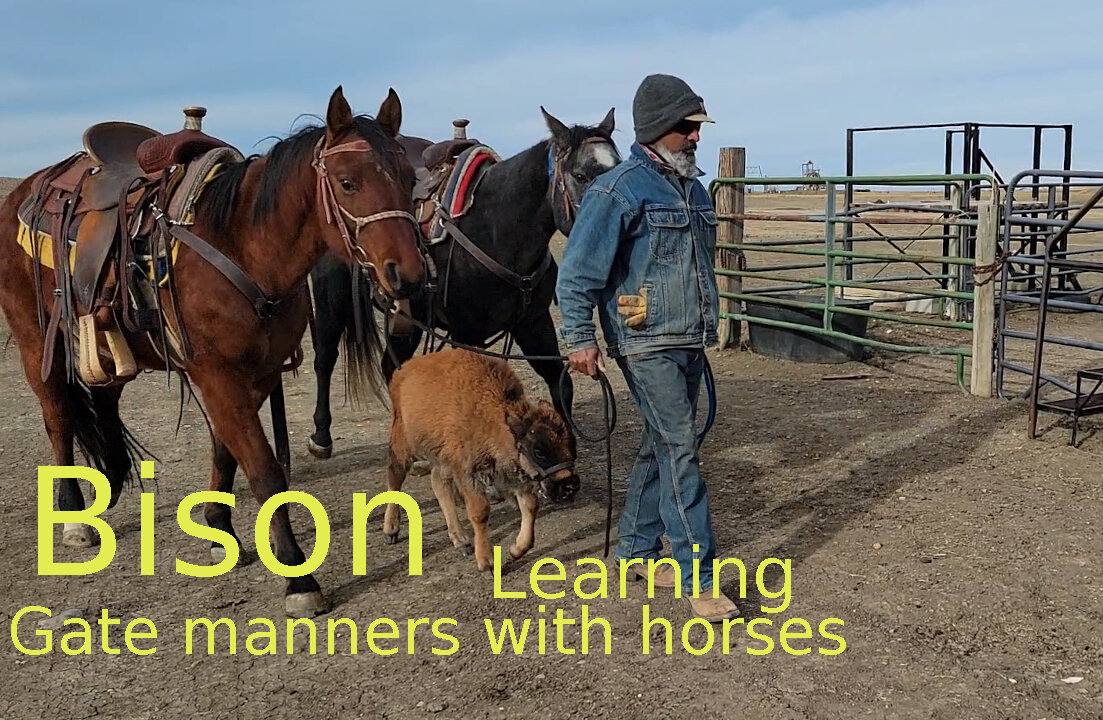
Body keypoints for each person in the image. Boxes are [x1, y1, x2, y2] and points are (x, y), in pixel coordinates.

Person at [555, 73, 738, 622]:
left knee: (664, 439)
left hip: (687, 337)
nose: (695, 138)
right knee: (681, 445)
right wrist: (580, 338)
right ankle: (697, 577)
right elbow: (577, 274)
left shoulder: (695, 190)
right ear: (658, 130)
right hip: (643, 341)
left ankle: (634, 547)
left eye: (697, 127)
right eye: (687, 128)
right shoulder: (618, 191)